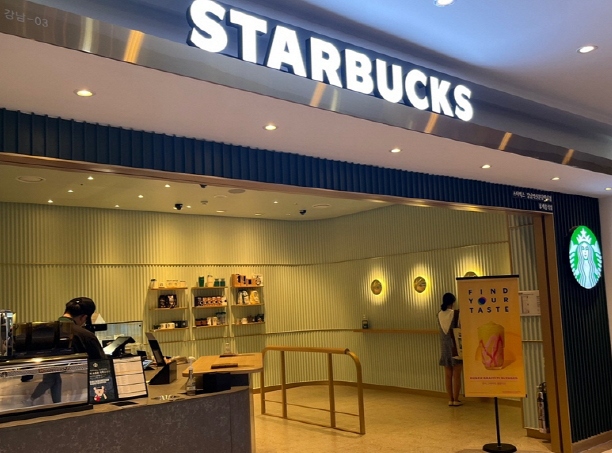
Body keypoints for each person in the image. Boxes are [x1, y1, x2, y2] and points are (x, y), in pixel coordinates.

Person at [27, 297, 105, 405]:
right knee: (54, 381)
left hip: (46, 371)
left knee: (55, 380)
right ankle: (48, 402)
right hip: (80, 400)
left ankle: (55, 404)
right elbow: (102, 365)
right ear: (83, 317)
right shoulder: (86, 336)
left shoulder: (40, 330)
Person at [438, 292, 463, 406]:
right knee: (457, 375)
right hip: (455, 347)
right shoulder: (456, 314)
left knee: (448, 375)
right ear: (453, 302)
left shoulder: (439, 314)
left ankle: (450, 399)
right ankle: (456, 400)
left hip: (444, 347)